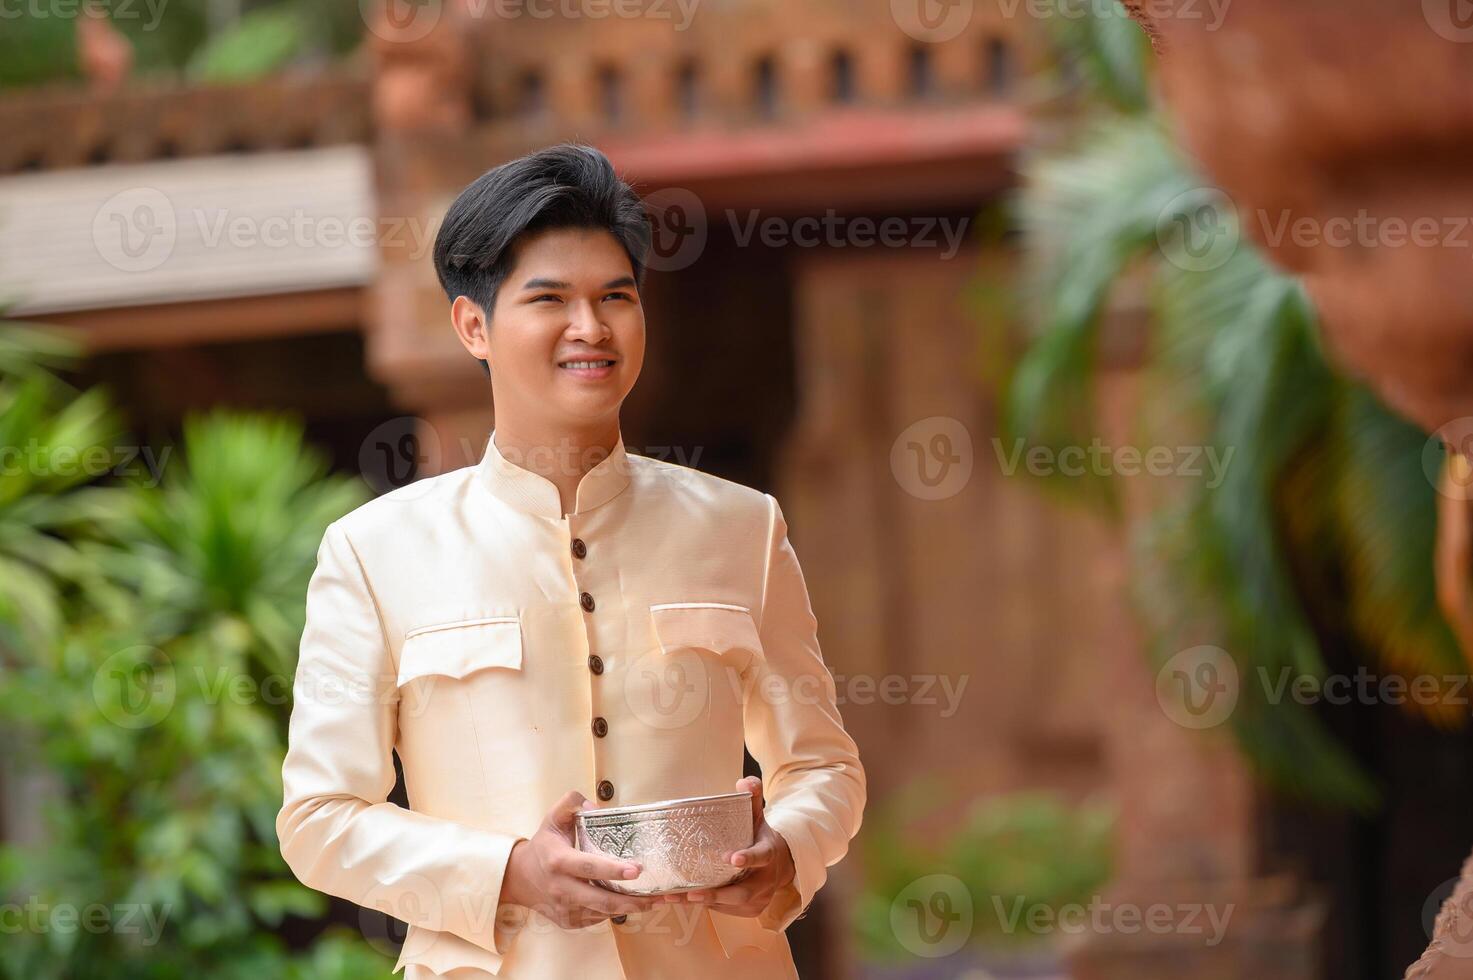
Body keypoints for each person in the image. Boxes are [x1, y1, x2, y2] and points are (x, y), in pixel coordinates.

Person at [275, 143, 866, 979]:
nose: (590, 328)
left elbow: (821, 766)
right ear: (472, 325)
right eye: (549, 299)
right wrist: (508, 872)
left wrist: (789, 850)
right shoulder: (374, 554)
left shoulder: (742, 527)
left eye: (615, 298)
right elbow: (321, 818)